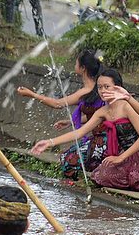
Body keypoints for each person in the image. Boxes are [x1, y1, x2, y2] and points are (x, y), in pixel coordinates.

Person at [32, 69, 139, 192]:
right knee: (99, 176)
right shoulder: (102, 111)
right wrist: (49, 142)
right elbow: (79, 132)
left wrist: (120, 158)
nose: (102, 91)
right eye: (99, 87)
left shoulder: (126, 106)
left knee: (129, 179)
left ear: (118, 88)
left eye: (107, 87)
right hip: (126, 154)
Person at [16, 50, 106, 179]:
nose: (74, 65)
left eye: (76, 62)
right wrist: (70, 122)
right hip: (98, 137)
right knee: (68, 156)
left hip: (103, 140)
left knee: (68, 159)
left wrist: (32, 94)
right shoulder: (96, 88)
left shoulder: (86, 91)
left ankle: (81, 179)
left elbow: (57, 104)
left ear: (83, 68)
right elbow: (96, 115)